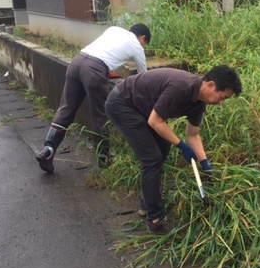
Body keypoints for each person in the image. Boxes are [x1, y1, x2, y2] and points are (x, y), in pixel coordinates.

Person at [104, 65, 242, 234]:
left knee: (163, 147)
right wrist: (181, 146)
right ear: (211, 85)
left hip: (144, 108)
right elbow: (155, 121)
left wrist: (205, 164)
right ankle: (155, 219)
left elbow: (193, 134)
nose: (221, 103)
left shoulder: (199, 102)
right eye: (222, 97)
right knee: (152, 159)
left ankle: (148, 201)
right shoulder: (181, 87)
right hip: (123, 103)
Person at [35, 23, 151, 174]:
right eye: (145, 43)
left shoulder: (114, 30)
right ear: (142, 38)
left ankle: (48, 149)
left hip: (77, 63)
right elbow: (144, 78)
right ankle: (104, 157)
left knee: (66, 108)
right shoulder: (137, 46)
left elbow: (103, 52)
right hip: (94, 71)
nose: (143, 46)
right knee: (100, 115)